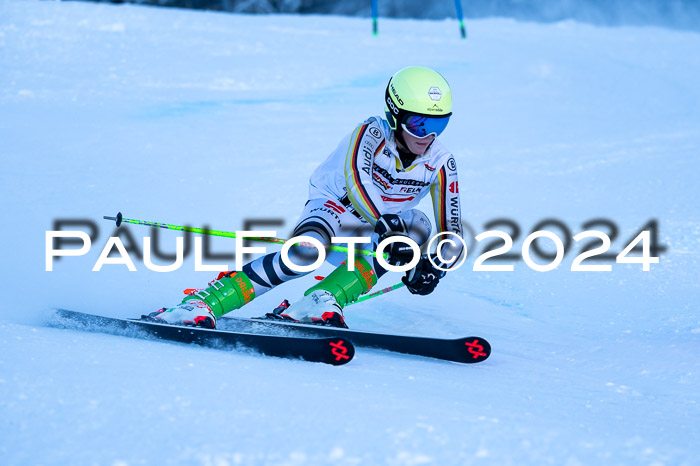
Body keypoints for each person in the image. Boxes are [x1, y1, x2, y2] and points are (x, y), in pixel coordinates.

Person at [150, 66, 464, 329]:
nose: (428, 136)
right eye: (419, 124)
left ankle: (318, 302)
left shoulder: (441, 161)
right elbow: (357, 182)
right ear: (395, 115)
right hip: (335, 208)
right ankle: (200, 304)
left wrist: (434, 264)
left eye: (440, 124)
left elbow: (452, 231)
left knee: (418, 224)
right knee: (304, 254)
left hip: (381, 231)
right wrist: (387, 227)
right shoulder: (370, 133)